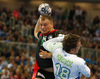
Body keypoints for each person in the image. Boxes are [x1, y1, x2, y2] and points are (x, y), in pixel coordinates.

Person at [32, 15, 63, 79]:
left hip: (54, 74)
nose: (42, 27)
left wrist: (48, 55)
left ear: (51, 24)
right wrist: (40, 16)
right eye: (41, 25)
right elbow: (35, 32)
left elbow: (63, 53)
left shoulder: (57, 35)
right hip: (41, 71)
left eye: (45, 25)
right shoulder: (42, 35)